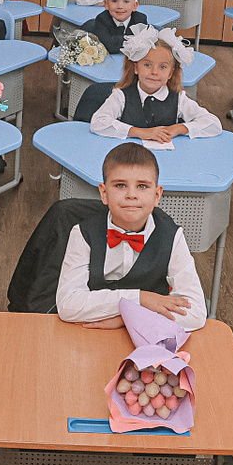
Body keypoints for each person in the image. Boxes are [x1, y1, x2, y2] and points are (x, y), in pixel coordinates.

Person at [56, 142, 207, 332]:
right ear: (104, 193)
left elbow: (196, 313)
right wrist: (140, 299)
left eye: (142, 186)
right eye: (120, 185)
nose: (131, 195)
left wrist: (126, 318)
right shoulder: (82, 233)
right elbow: (68, 306)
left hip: (148, 337)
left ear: (157, 195)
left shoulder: (172, 236)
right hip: (91, 332)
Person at [89, 27, 221, 144]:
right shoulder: (120, 95)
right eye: (147, 65)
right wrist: (141, 133)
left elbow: (214, 124)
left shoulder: (179, 98)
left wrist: (178, 128)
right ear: (136, 67)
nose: (154, 72)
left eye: (163, 67)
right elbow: (98, 123)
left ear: (170, 73)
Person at [83, 0, 150, 54]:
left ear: (134, 6)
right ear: (107, 4)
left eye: (126, 1)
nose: (120, 6)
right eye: (114, 1)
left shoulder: (140, 19)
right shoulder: (102, 19)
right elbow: (109, 46)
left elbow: (143, 44)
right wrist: (133, 40)